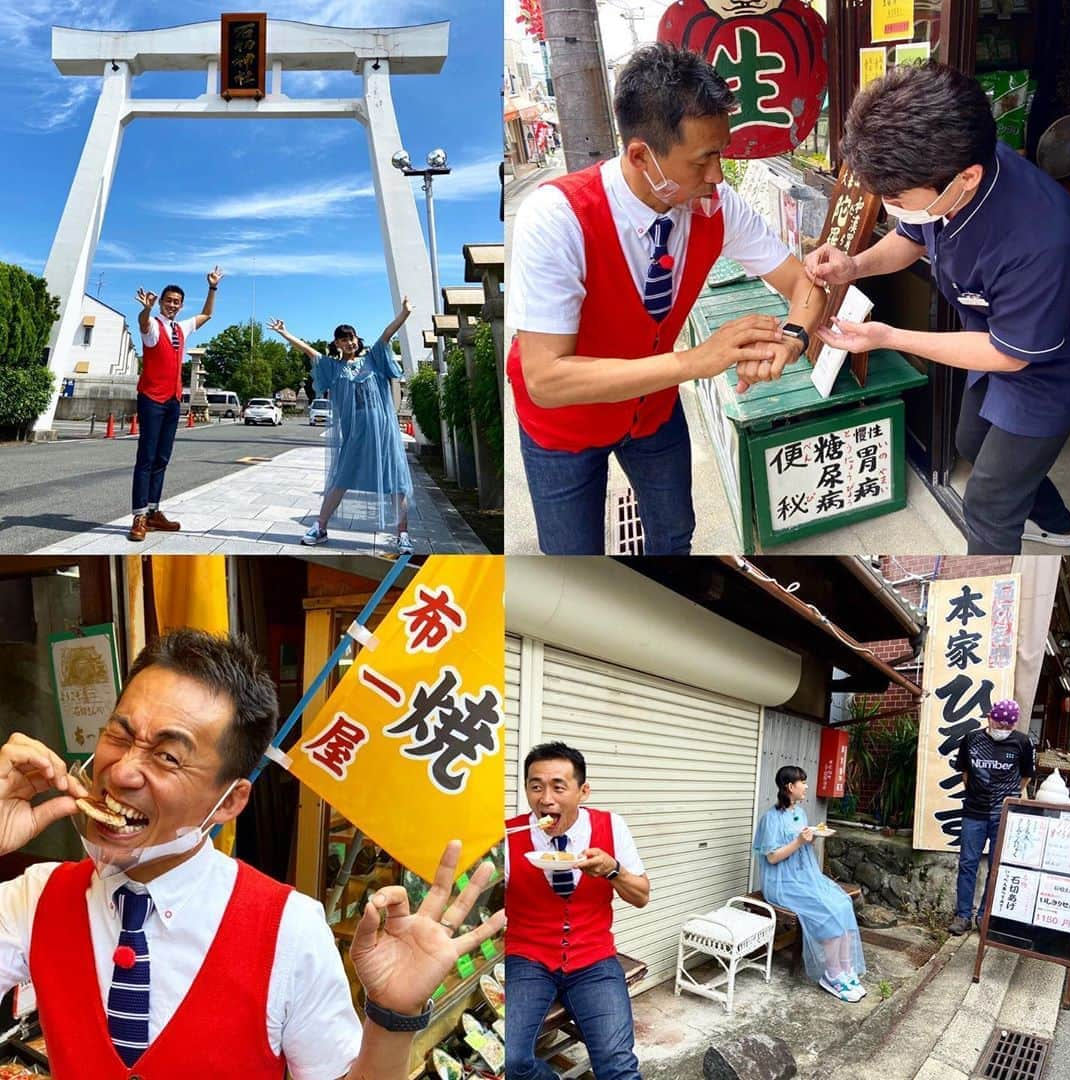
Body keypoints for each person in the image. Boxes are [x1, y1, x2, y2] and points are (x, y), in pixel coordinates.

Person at [0, 628, 504, 1079]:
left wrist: (393, 1018)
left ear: (230, 801)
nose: (122, 771)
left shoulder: (291, 929)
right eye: (120, 735)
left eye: (168, 756)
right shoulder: (35, 898)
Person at [506, 42, 826, 555]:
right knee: (573, 558)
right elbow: (546, 378)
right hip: (564, 424)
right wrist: (696, 361)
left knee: (674, 535)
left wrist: (791, 338)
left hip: (651, 408)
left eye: (721, 154)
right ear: (640, 155)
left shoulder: (715, 207)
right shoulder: (557, 216)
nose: (717, 176)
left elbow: (805, 285)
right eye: (704, 160)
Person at [805, 61, 1070, 555]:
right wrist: (853, 266)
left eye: (895, 197)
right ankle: (1057, 522)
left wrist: (887, 336)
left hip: (1047, 363)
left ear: (967, 178)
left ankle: (991, 607)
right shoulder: (942, 175)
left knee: (989, 505)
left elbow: (1010, 356)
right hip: (992, 335)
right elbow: (911, 239)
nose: (891, 207)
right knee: (972, 442)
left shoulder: (1042, 239)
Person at [505, 741, 649, 1080]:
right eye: (535, 786)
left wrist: (613, 870)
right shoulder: (508, 834)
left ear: (583, 791)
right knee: (511, 1062)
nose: (545, 799)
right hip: (527, 958)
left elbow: (642, 896)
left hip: (594, 960)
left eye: (559, 786)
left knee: (619, 1065)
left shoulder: (612, 826)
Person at [268, 301, 414, 552]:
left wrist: (405, 313)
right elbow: (308, 352)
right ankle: (320, 526)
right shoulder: (333, 368)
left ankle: (402, 535)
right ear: (336, 343)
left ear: (358, 339)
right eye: (344, 339)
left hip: (384, 432)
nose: (350, 342)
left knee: (397, 481)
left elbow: (387, 334)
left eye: (352, 338)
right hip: (355, 434)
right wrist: (284, 333)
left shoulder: (375, 359)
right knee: (341, 479)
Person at [753, 766, 867, 1003]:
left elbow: (802, 845)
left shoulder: (801, 813)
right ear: (789, 787)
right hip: (782, 882)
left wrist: (811, 838)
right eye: (801, 782)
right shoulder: (770, 819)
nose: (806, 786)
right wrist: (798, 841)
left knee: (843, 903)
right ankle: (832, 975)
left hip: (804, 876)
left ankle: (846, 970)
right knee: (829, 912)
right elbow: (772, 857)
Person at [128, 269, 223, 542]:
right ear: (160, 303)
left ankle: (154, 511)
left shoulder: (181, 328)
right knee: (145, 458)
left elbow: (206, 316)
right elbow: (143, 324)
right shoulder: (154, 325)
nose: (172, 305)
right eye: (168, 300)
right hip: (151, 398)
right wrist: (145, 310)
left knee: (162, 458)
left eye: (177, 302)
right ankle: (139, 516)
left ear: (181, 305)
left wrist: (212, 289)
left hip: (171, 400)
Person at [949, 698, 1035, 936]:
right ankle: (963, 915)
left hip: (1003, 814)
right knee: (968, 863)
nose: (1004, 730)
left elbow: (1026, 776)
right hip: (974, 812)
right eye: (1000, 725)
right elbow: (965, 772)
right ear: (990, 718)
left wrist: (1006, 797)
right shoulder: (972, 739)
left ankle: (984, 915)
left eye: (1008, 727)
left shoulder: (1022, 742)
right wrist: (978, 793)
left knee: (996, 866)